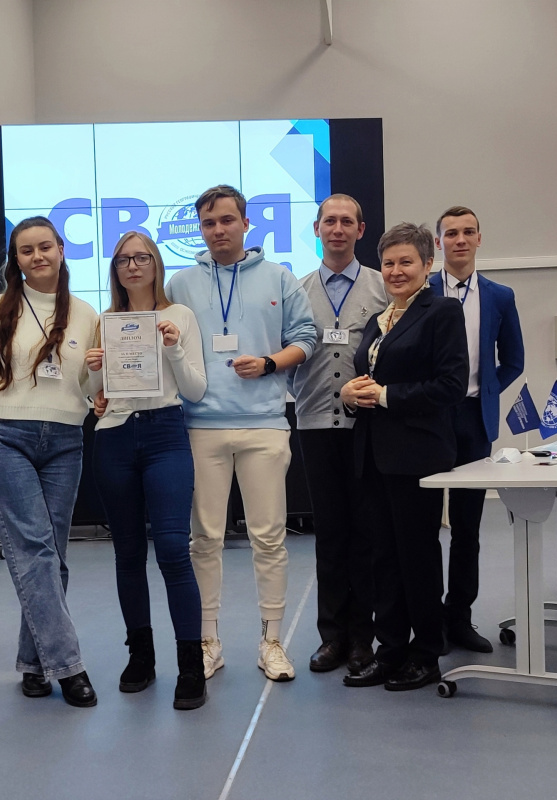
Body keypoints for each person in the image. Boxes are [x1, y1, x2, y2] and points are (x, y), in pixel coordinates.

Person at [166, 185, 317, 682]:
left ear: (246, 224)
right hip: (200, 427)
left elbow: (306, 338)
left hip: (264, 425)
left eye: (227, 220)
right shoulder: (181, 283)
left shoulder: (279, 277)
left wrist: (271, 362)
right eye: (208, 223)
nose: (218, 230)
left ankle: (271, 642)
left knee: (269, 538)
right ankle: (208, 641)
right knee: (204, 539)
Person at [0, 216, 98, 708]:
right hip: (7, 437)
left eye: (45, 247)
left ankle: (33, 662)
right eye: (26, 250)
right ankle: (69, 665)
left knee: (50, 556)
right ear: (15, 260)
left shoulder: (86, 314)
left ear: (61, 249)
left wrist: (98, 379)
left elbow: (87, 386)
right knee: (35, 551)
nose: (37, 256)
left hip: (65, 439)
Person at [340, 222, 468, 691]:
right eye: (388, 263)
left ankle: (427, 653)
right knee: (384, 558)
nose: (396, 271)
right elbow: (367, 378)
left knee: (417, 557)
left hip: (416, 456)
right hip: (373, 455)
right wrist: (350, 394)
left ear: (428, 265)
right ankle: (390, 650)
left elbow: (451, 386)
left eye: (406, 262)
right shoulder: (379, 319)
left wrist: (386, 396)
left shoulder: (442, 312)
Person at [86, 231, 207, 710]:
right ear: (115, 270)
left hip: (164, 434)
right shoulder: (105, 322)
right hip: (115, 436)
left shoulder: (180, 317)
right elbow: (94, 395)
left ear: (156, 263)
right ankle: (141, 656)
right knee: (128, 552)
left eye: (141, 258)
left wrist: (173, 348)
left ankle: (191, 665)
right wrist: (94, 370)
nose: (132, 266)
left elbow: (195, 390)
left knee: (174, 550)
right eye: (123, 260)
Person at [291, 194, 388, 675]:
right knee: (328, 534)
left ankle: (363, 638)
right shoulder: (297, 290)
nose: (337, 229)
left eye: (347, 221)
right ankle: (332, 637)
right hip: (314, 423)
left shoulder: (381, 286)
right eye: (329, 221)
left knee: (366, 534)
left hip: (365, 427)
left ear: (360, 230)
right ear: (317, 228)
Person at [431, 206, 524, 652]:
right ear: (439, 242)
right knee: (424, 526)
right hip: (428, 419)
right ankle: (428, 620)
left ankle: (460, 618)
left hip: (473, 421)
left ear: (479, 239)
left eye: (468, 232)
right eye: (451, 233)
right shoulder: (423, 289)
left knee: (467, 528)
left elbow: (514, 361)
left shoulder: (499, 296)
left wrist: (485, 391)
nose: (460, 240)